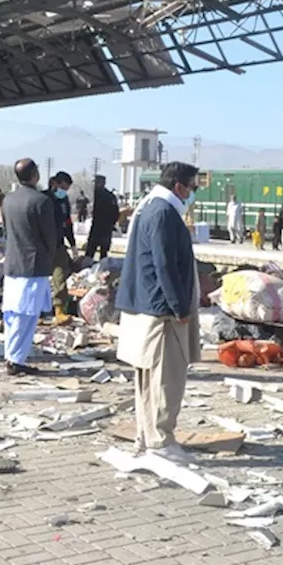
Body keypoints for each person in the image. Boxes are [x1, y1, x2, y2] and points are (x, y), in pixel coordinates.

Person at [115, 162, 201, 462]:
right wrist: (179, 306)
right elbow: (165, 265)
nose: (192, 194)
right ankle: (161, 441)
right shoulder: (164, 214)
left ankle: (146, 435)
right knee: (166, 380)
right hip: (161, 313)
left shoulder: (148, 207)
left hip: (144, 307)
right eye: (192, 187)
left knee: (148, 380)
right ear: (179, 186)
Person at [1, 159, 56, 376]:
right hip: (33, 265)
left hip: (13, 263)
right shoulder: (41, 201)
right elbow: (50, 236)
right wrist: (51, 256)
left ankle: (11, 354)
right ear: (35, 174)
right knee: (27, 315)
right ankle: (16, 360)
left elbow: (7, 230)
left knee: (13, 313)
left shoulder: (8, 200)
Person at [47, 171, 76, 321]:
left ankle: (59, 309)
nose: (64, 192)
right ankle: (40, 309)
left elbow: (68, 223)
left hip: (58, 243)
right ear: (56, 184)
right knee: (40, 278)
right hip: (43, 244)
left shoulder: (64, 201)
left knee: (60, 275)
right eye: (63, 188)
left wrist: (73, 244)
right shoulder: (44, 198)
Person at [84, 175, 119, 260]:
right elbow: (116, 212)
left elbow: (114, 212)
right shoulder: (110, 196)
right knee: (103, 255)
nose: (95, 184)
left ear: (103, 183)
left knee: (90, 253)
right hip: (106, 229)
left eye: (97, 182)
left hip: (99, 228)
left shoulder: (100, 195)